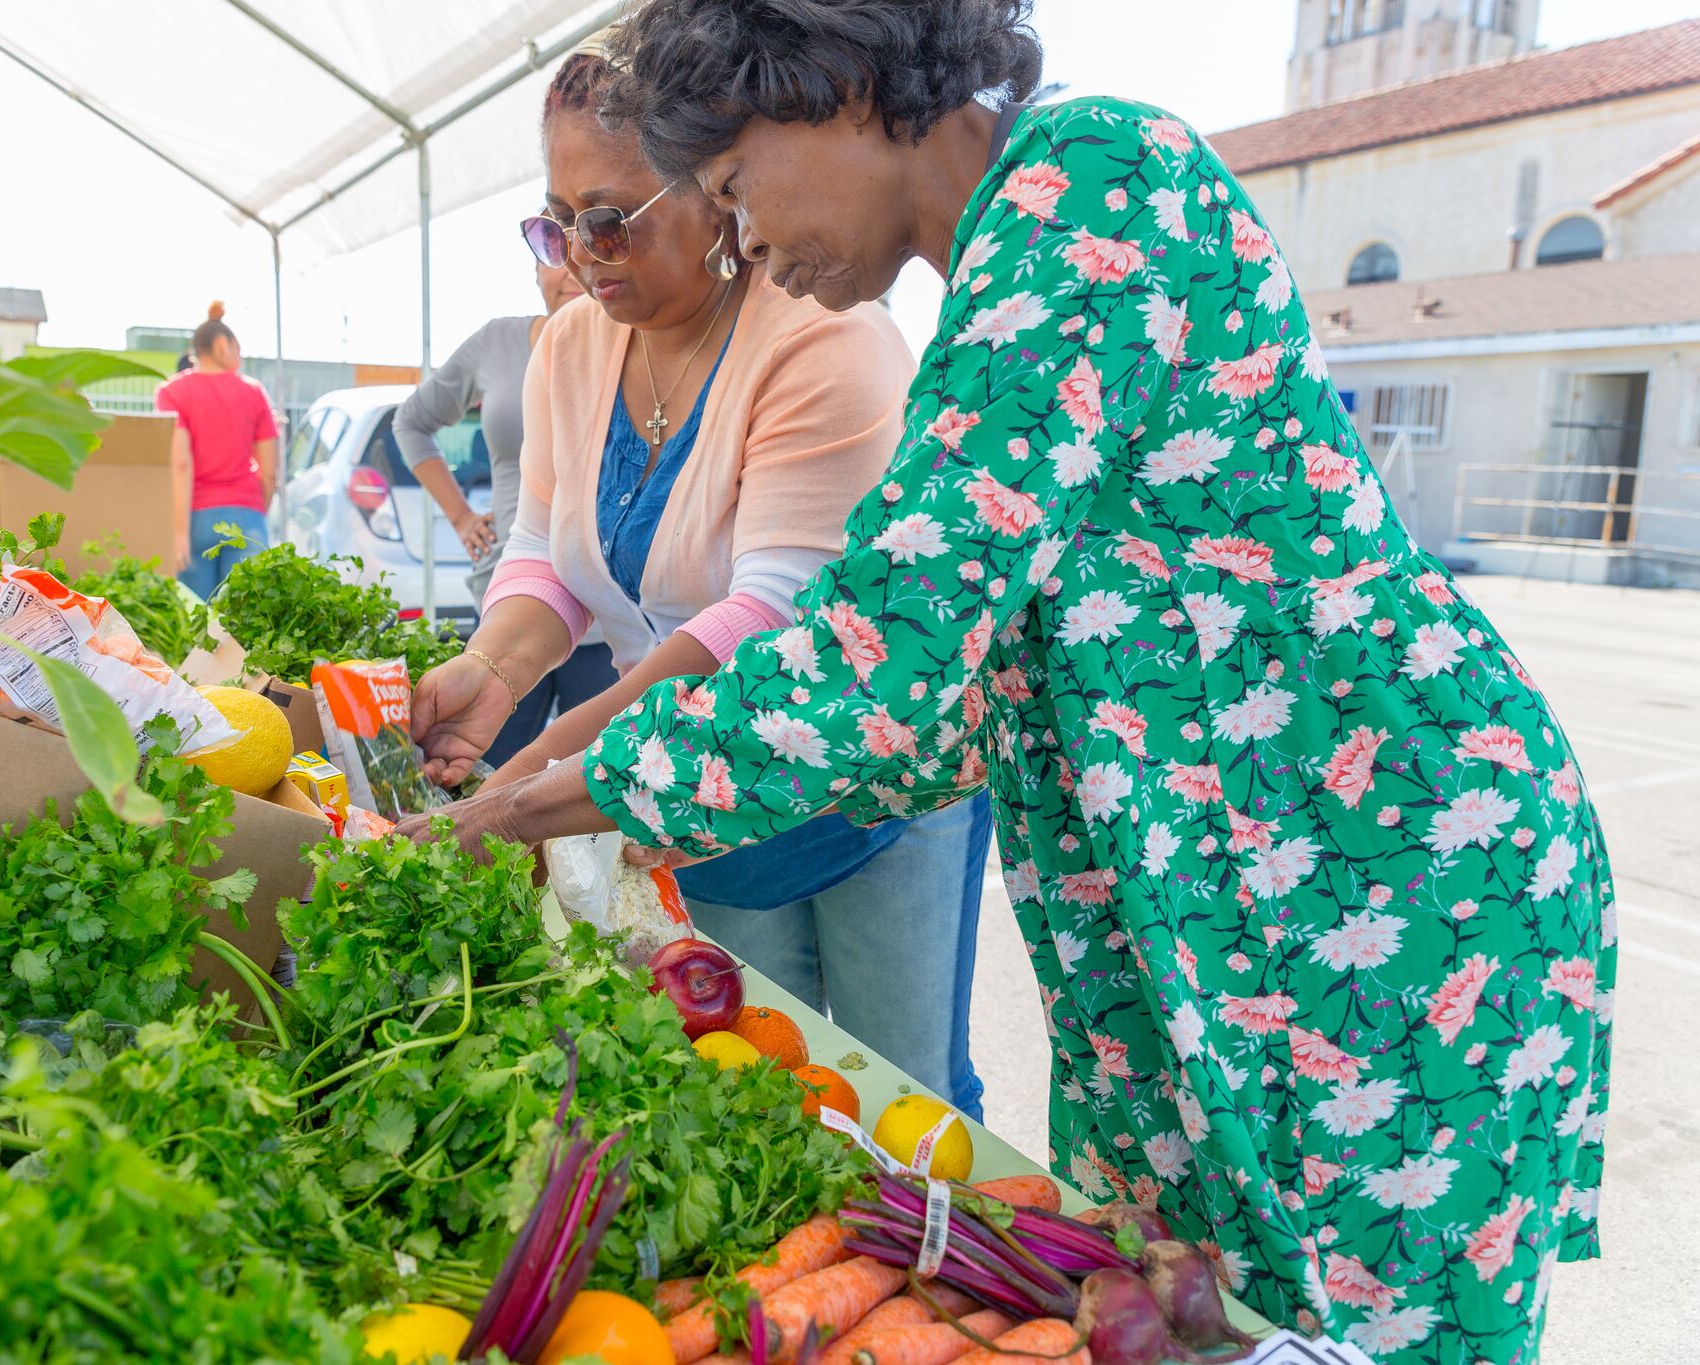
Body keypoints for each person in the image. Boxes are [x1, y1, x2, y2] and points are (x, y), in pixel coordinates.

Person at [396, 4, 1617, 1362]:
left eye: (735, 189)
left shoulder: (1091, 182)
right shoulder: (999, 275)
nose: (751, 248)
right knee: (1200, 1320)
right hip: (1215, 891)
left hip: (1379, 884)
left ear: (840, 89)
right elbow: (949, 707)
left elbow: (884, 653)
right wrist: (603, 800)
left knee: (1359, 1332)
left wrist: (528, 806)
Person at [408, 45, 993, 1118]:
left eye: (610, 216)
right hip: (684, 779)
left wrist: (543, 761)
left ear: (717, 192)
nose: (584, 256)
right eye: (555, 223)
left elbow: (769, 617)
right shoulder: (569, 350)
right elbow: (546, 554)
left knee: (901, 1094)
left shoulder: (829, 333)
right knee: (762, 1075)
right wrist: (491, 668)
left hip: (862, 782)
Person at [393, 262, 620, 767]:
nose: (571, 263)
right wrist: (460, 516)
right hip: (513, 601)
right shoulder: (497, 343)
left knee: (598, 787)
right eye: (553, 244)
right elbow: (411, 422)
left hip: (611, 612)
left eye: (595, 228)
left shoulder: (645, 342)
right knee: (483, 776)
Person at [154, 301, 277, 598]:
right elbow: (270, 470)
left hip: (195, 517)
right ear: (223, 345)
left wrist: (179, 531)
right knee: (246, 623)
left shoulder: (171, 392)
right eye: (238, 347)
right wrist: (257, 510)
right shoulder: (253, 391)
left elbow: (180, 463)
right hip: (247, 515)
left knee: (200, 626)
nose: (241, 355)